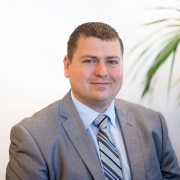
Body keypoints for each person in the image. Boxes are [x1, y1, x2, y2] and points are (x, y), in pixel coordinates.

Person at [6, 22, 180, 180]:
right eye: (89, 61)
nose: (102, 71)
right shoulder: (32, 137)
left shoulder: (153, 123)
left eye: (112, 61)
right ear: (67, 66)